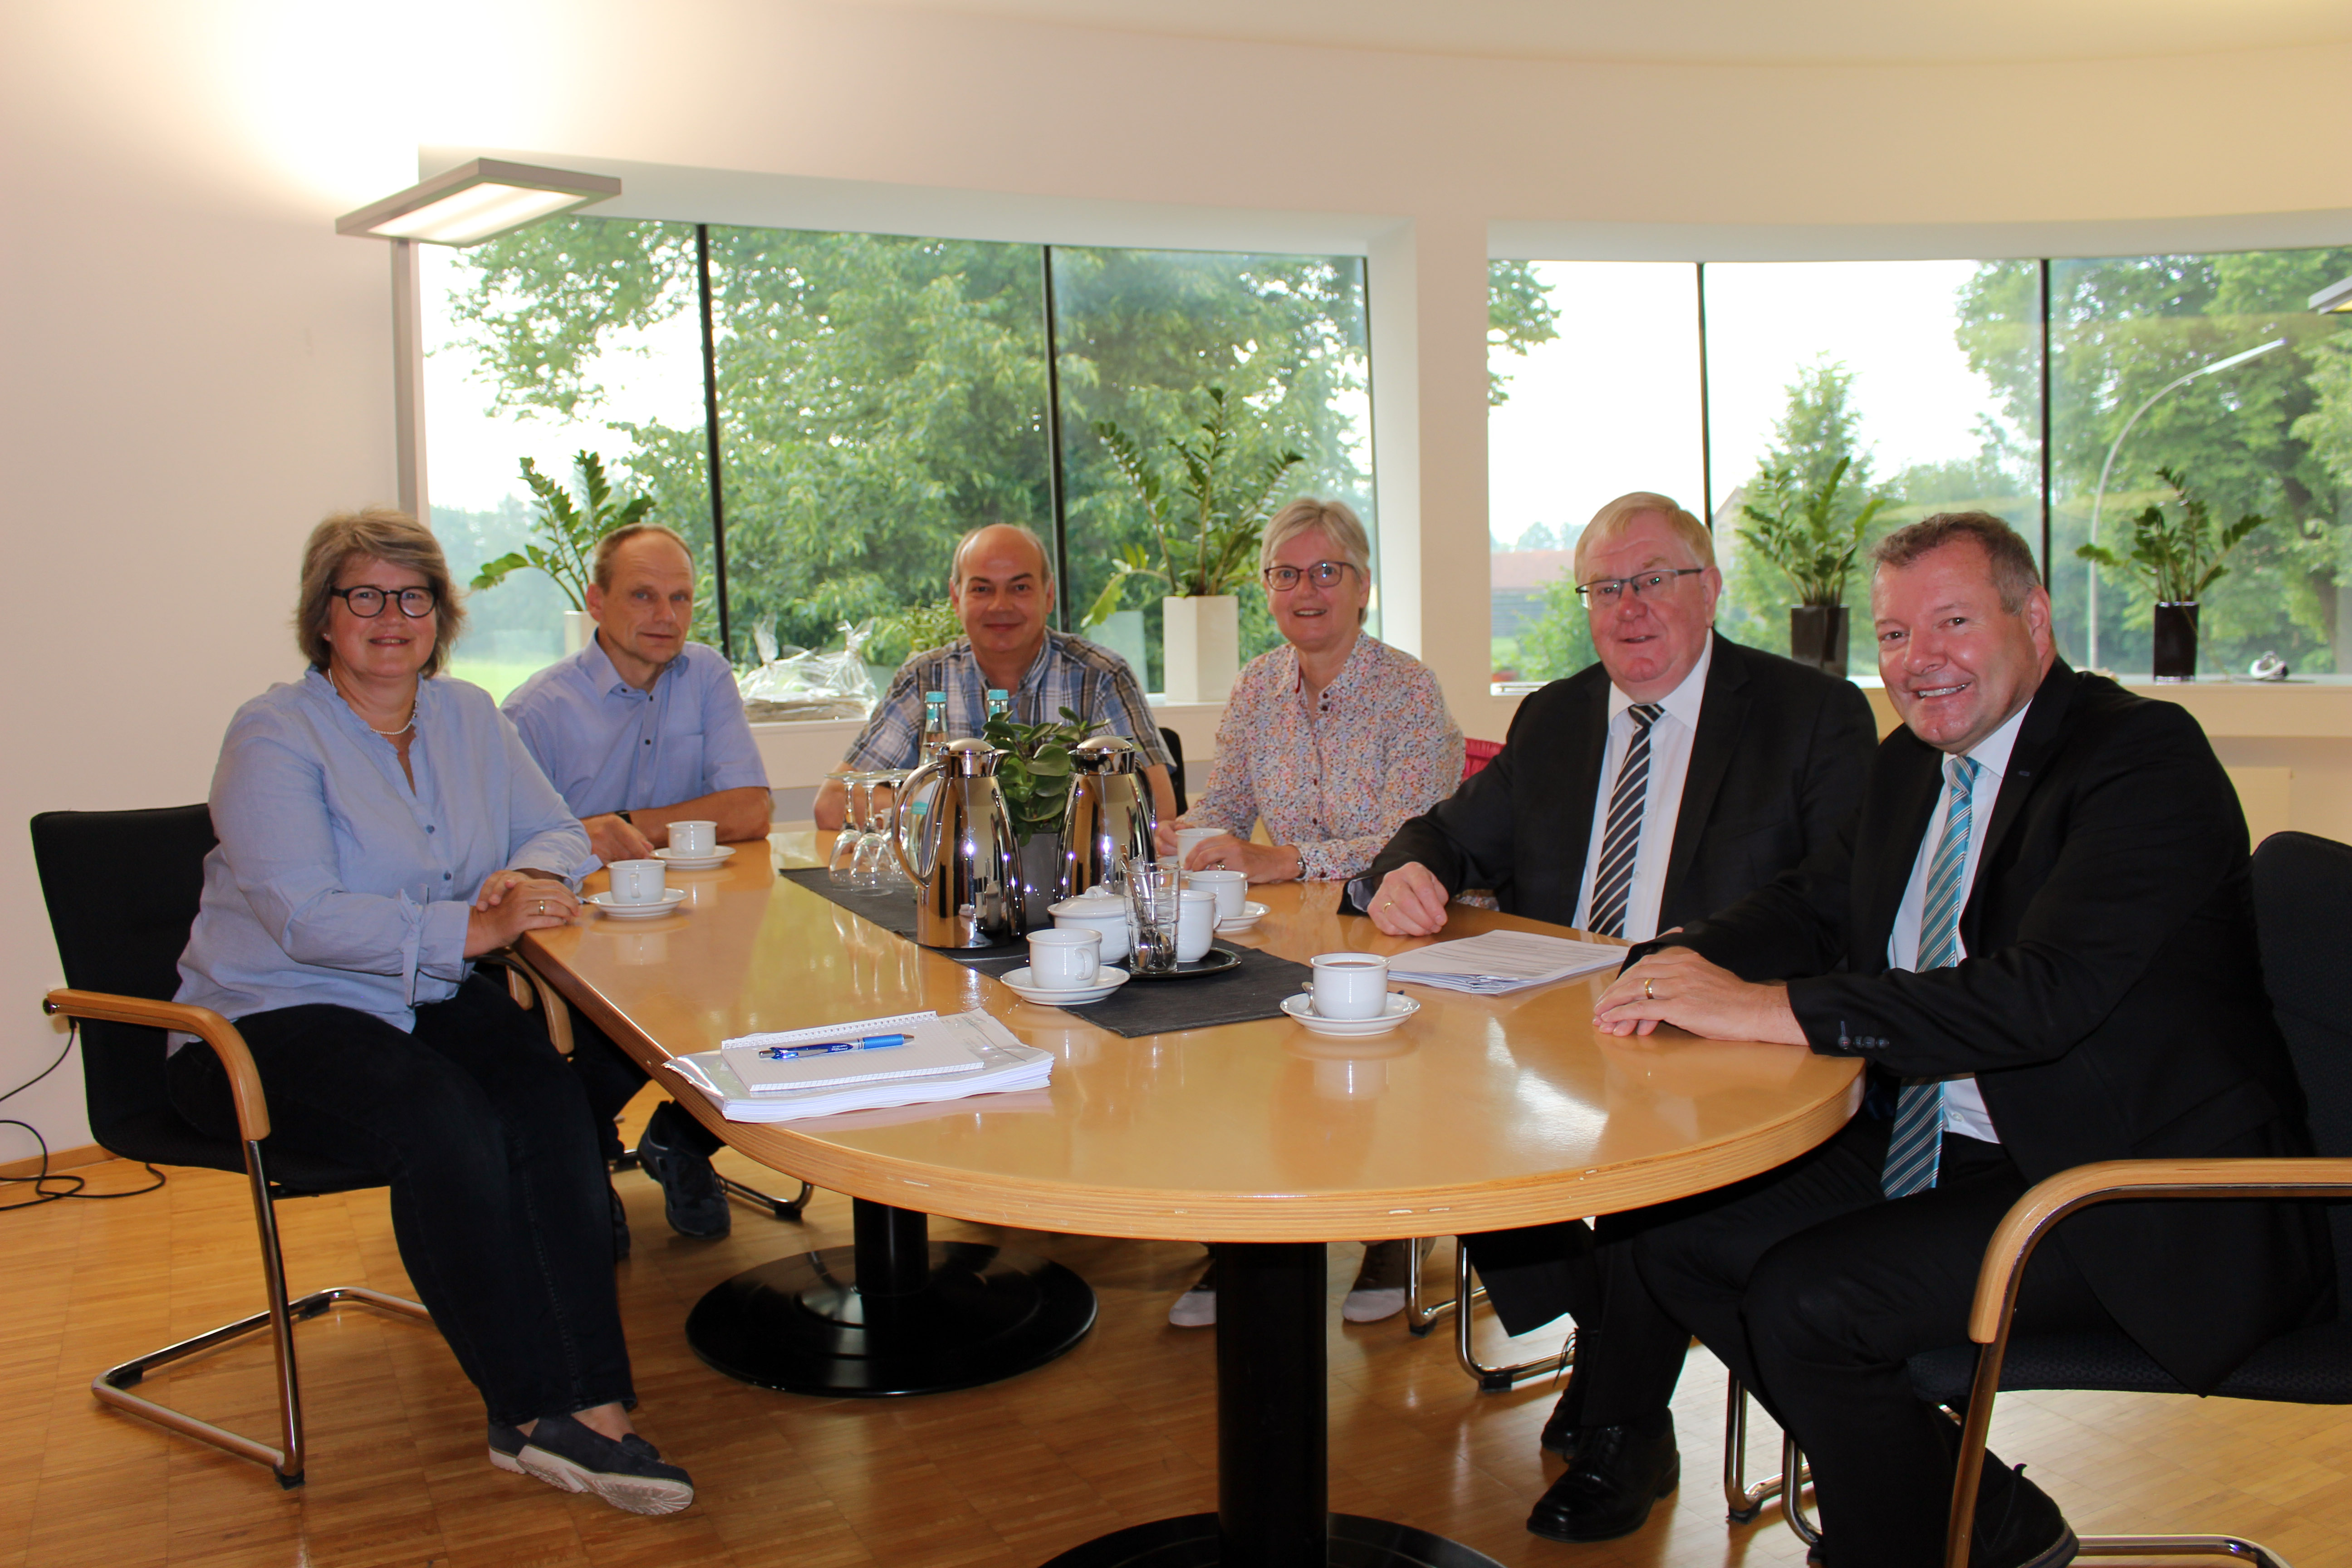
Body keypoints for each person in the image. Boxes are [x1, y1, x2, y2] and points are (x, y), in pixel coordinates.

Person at [1590, 512, 2329, 1568]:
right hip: (1944, 1140)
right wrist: (1669, 959)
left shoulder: (2139, 761)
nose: (1916, 659)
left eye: (1950, 621)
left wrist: (1768, 1007)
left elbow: (2034, 998)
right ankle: (1975, 1516)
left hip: (2122, 1181)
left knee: (1810, 1303)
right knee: (1669, 1236)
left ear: (2032, 619)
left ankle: (1894, 1542)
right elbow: (1809, 903)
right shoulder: (1912, 766)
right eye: (1892, 635)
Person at [1352, 491, 1877, 1542]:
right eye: (1604, 587)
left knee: (1655, 1183)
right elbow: (1450, 833)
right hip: (1555, 1024)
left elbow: (1839, 890)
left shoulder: (1808, 713)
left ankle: (1626, 1423)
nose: (1628, 606)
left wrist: (1690, 962)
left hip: (1712, 1032)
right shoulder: (1555, 715)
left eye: (1654, 579)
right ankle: (1615, 1340)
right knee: (1438, 1104)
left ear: (1710, 586)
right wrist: (1404, 869)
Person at [171, 508, 693, 1514]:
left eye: (412, 597)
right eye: (362, 595)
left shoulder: (465, 719)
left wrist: (525, 876)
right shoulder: (274, 732)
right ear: (324, 618)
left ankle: (599, 1403)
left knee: (550, 1103)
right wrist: (476, 930)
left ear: (440, 617)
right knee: (445, 1124)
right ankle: (534, 1412)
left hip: (424, 991)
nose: (390, 616)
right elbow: (305, 916)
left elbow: (555, 828)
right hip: (268, 1015)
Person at [1154, 496, 1465, 1328]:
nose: (1306, 589)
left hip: (1400, 926)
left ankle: (1392, 1231)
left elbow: (1414, 840)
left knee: (1359, 1064)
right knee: (1223, 1052)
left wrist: (1281, 859)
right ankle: (1242, 1244)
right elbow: (1222, 804)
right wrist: (1166, 835)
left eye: (1327, 570)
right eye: (1285, 573)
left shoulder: (1407, 689)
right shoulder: (1257, 685)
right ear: (1265, 589)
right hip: (1297, 927)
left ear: (1362, 586)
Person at [504, 523, 770, 1244]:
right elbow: (499, 851)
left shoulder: (707, 675)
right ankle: (582, 1166)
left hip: (697, 922)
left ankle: (680, 1142)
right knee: (600, 1040)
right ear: (596, 601)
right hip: (582, 937)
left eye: (681, 599)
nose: (666, 617)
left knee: (779, 1004)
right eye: (644, 596)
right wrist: (578, 841)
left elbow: (750, 808)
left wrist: (621, 825)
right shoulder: (537, 712)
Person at [816, 522, 1176, 829]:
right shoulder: (924, 680)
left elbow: (1157, 803)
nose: (1000, 605)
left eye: (1020, 588)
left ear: (1048, 595)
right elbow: (834, 804)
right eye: (982, 589)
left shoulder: (1100, 675)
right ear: (956, 598)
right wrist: (957, 817)